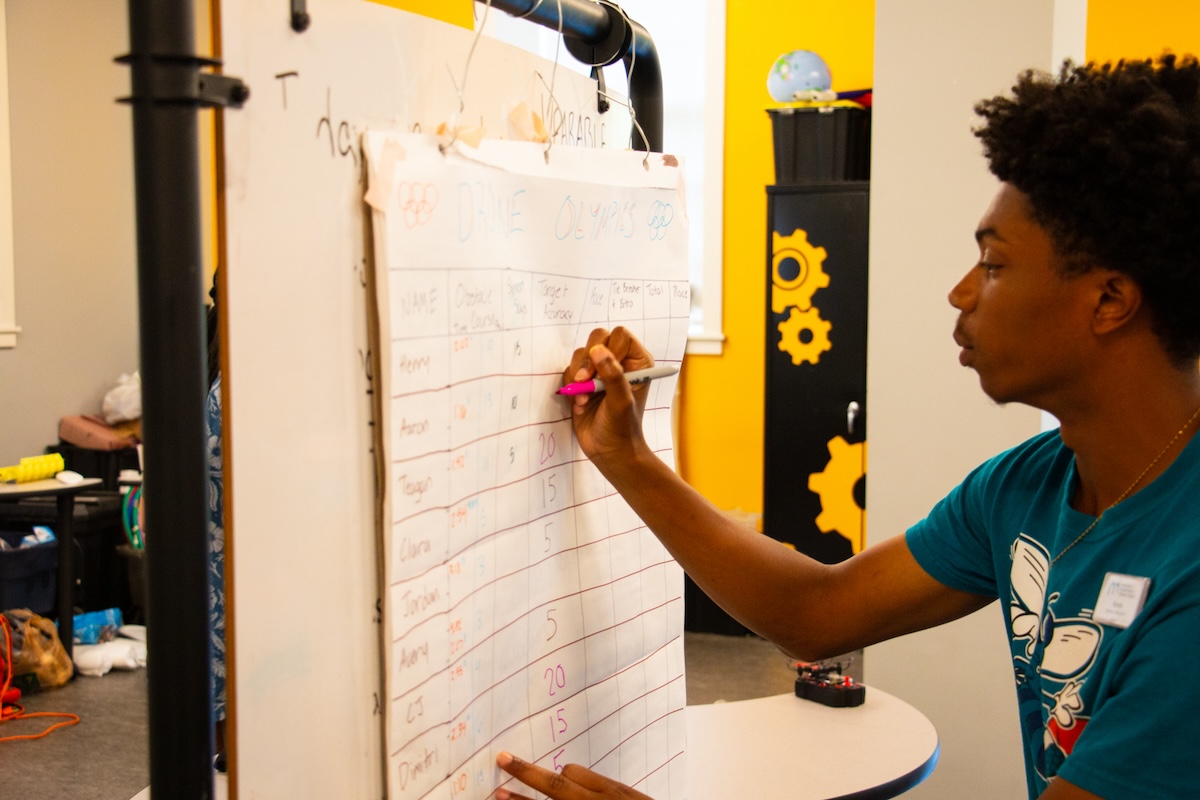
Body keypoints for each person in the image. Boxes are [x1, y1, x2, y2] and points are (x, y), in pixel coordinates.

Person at [496, 54, 1200, 800]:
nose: (959, 292)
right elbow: (815, 612)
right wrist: (627, 457)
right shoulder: (1030, 486)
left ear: (1110, 300)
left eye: (992, 266)